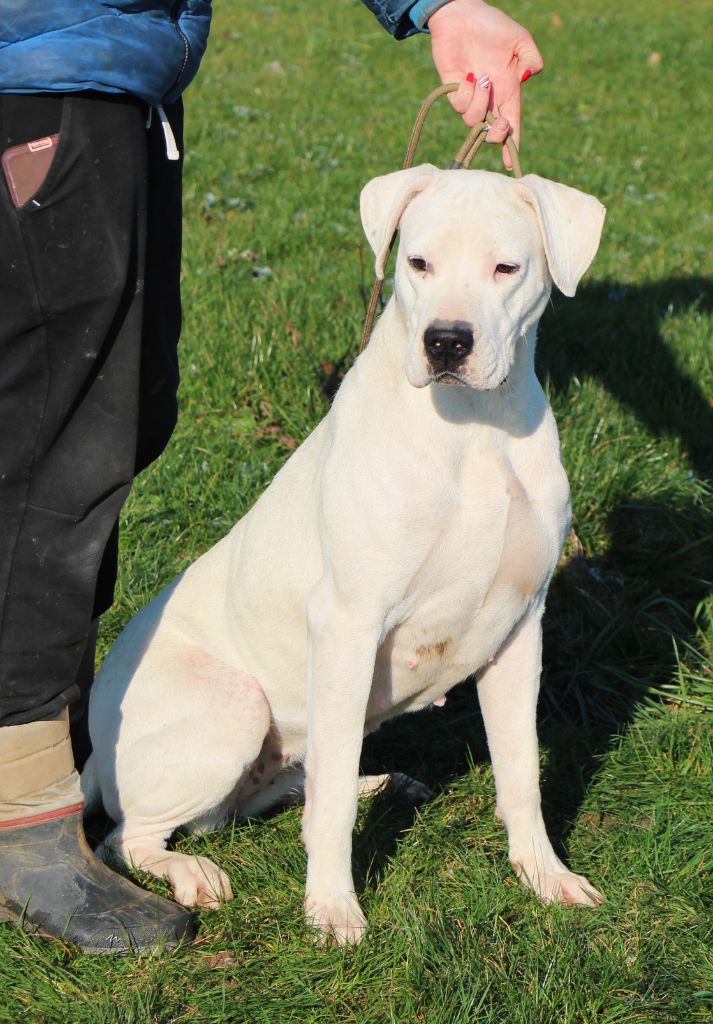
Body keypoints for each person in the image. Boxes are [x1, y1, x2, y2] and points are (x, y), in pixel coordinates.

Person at [0, 0, 543, 953]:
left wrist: (433, 6)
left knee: (117, 425)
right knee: (49, 445)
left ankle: (62, 732)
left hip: (127, 72)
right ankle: (24, 814)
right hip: (38, 68)